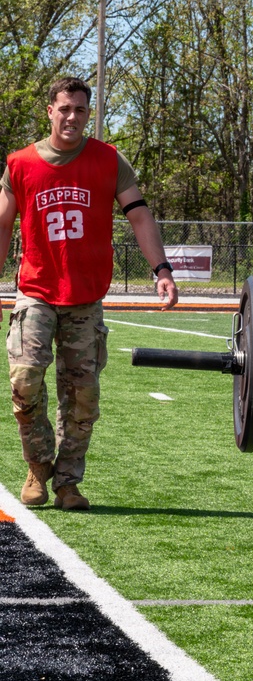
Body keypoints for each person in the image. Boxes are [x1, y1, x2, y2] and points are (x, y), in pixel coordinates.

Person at [0, 76, 179, 511]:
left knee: (82, 396)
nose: (72, 117)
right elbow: (2, 225)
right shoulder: (21, 163)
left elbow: (140, 217)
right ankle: (38, 466)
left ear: (88, 113)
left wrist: (162, 269)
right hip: (36, 291)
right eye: (64, 108)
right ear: (49, 111)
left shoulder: (109, 160)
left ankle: (68, 483)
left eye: (80, 109)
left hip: (85, 297)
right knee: (25, 380)